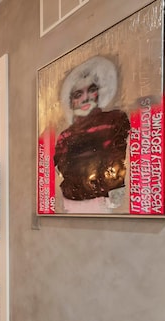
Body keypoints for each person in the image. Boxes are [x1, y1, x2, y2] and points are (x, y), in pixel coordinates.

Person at [53, 56, 130, 212]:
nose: (85, 97)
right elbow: (61, 168)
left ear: (98, 93)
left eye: (92, 90)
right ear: (71, 101)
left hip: (109, 201)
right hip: (72, 201)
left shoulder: (115, 119)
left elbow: (121, 158)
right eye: (78, 94)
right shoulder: (65, 136)